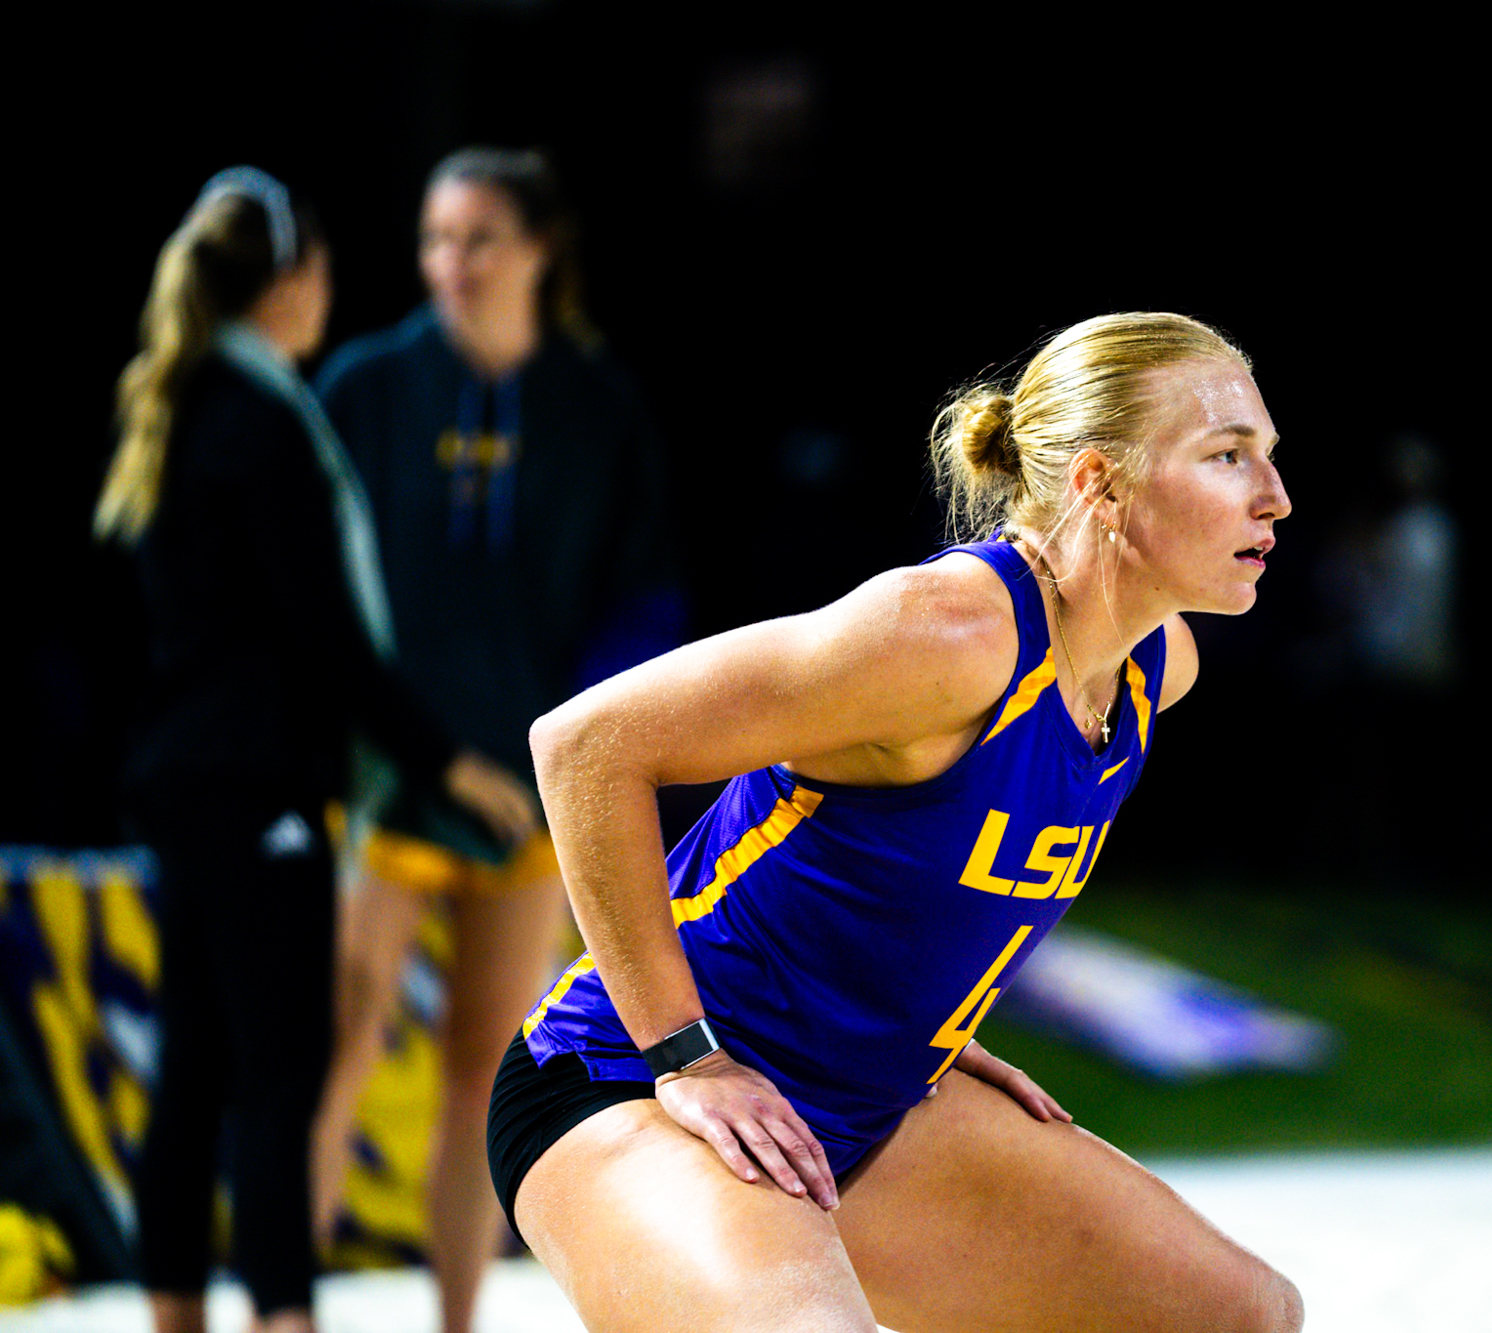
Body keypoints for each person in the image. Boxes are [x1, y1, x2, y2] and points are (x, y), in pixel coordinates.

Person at [490, 312, 1306, 1331]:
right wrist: (687, 1054)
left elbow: (914, 867)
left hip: (866, 1099)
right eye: (1227, 456)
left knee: (1239, 1313)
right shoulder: (950, 635)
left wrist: (931, 1019)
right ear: (1099, 484)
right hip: (628, 1078)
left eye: (1266, 454)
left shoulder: (1153, 667)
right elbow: (583, 747)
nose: (1273, 494)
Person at [96, 167, 534, 1333]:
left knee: (193, 1074)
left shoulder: (180, 404)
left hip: (179, 780)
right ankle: (284, 1318)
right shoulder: (264, 425)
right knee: (277, 1079)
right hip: (256, 789)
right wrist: (449, 762)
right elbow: (327, 640)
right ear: (289, 281)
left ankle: (180, 1316)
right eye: (325, 270)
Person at [309, 147, 673, 1333]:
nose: (450, 264)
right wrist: (409, 749)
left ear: (539, 247)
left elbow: (640, 602)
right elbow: (310, 594)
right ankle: (277, 1310)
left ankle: (457, 1324)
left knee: (485, 1074)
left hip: (528, 791)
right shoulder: (365, 387)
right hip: (387, 776)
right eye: (434, 240)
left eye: (476, 238)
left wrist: (572, 750)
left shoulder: (598, 404)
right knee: (335, 1051)